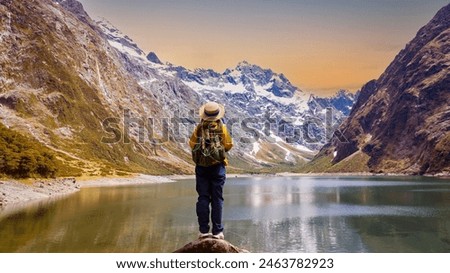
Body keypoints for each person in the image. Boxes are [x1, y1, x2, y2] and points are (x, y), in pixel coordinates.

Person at [189, 102, 233, 240]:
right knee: (217, 198)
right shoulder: (222, 128)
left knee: (203, 197)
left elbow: (192, 144)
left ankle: (203, 231)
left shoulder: (199, 128)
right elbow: (228, 145)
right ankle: (217, 231)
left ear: (205, 114)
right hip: (218, 167)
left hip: (201, 167)